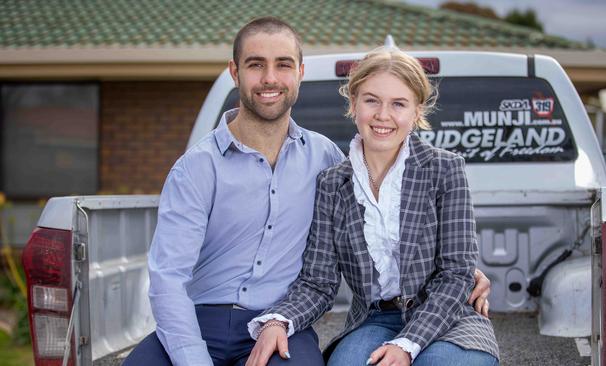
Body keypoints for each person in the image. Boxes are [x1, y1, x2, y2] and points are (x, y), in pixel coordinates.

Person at [124, 17, 492, 366]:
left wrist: (461, 271)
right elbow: (171, 278)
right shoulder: (204, 168)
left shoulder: (328, 160)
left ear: (300, 72)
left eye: (283, 64)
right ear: (235, 72)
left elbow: (442, 259)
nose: (270, 78)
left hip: (418, 314)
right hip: (206, 319)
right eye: (256, 65)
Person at [246, 48, 499, 366]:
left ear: (416, 110)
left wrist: (408, 345)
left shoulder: (445, 169)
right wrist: (278, 321)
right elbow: (319, 281)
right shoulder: (332, 184)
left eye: (398, 103)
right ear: (353, 104)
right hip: (374, 319)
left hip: (448, 316)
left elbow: (455, 273)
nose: (383, 115)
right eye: (371, 100)